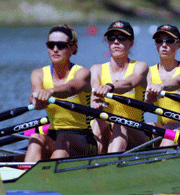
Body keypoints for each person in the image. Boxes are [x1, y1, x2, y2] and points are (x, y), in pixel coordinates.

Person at [24, 24, 97, 162]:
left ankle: (47, 177)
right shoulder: (38, 74)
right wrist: (35, 100)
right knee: (35, 137)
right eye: (51, 45)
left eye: (61, 45)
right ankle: (25, 176)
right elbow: (35, 91)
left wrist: (51, 91)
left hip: (84, 138)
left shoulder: (82, 73)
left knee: (64, 139)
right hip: (54, 135)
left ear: (72, 48)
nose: (55, 49)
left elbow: (71, 88)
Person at [90, 20, 149, 153]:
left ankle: (109, 165)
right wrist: (95, 101)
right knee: (98, 121)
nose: (116, 42)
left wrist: (110, 87)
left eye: (122, 38)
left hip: (137, 132)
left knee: (119, 123)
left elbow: (129, 83)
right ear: (108, 42)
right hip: (106, 130)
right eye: (112, 38)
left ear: (131, 43)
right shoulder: (96, 69)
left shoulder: (140, 67)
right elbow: (94, 92)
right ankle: (94, 164)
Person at [145, 24, 180, 147]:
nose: (164, 45)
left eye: (170, 41)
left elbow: (179, 81)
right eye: (159, 41)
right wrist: (146, 98)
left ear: (178, 45)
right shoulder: (149, 72)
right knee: (147, 127)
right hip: (164, 126)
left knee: (171, 126)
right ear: (156, 45)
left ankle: (161, 161)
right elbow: (146, 94)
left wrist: (161, 86)